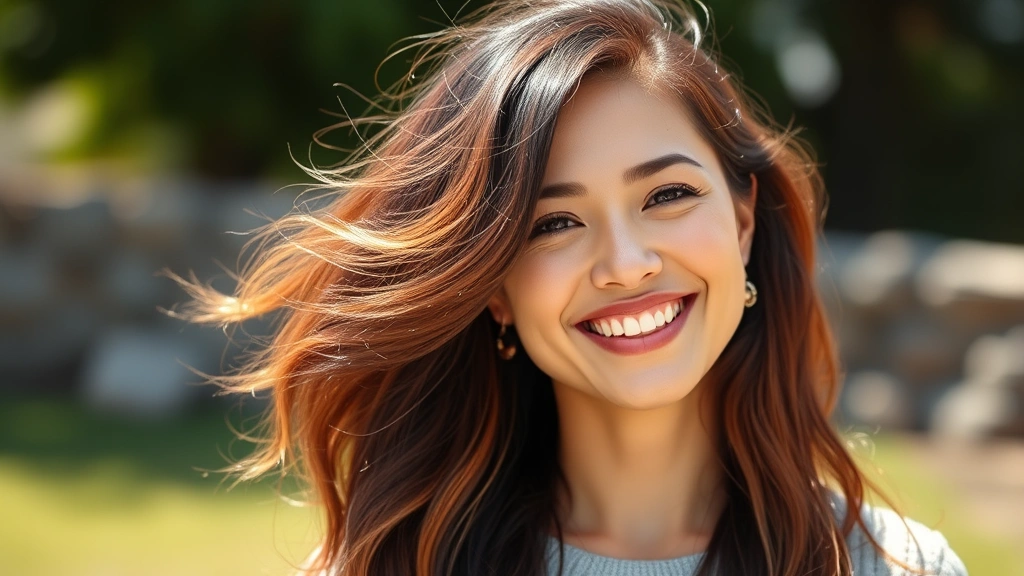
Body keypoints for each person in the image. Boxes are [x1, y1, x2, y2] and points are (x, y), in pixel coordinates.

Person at [174, 0, 967, 574]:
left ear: (743, 221)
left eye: (667, 196)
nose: (625, 264)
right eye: (552, 224)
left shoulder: (898, 568)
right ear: (492, 286)